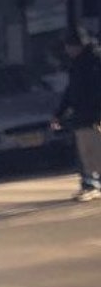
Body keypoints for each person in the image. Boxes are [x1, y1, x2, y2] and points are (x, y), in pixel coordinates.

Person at [51, 27, 101, 202]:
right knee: (85, 152)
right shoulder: (77, 64)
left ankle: (92, 184)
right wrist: (59, 113)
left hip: (94, 115)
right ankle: (89, 183)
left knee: (94, 151)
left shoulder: (95, 61)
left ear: (79, 45)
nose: (67, 50)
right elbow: (71, 91)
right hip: (81, 115)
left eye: (69, 46)